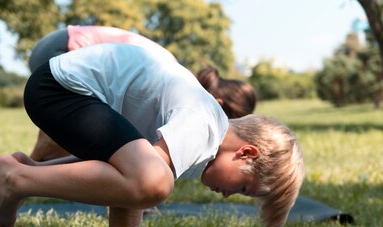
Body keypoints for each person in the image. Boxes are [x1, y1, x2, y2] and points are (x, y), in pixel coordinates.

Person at [0, 43, 304, 227]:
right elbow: (139, 188)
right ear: (246, 153)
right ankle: (17, 179)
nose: (229, 196)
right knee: (154, 183)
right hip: (61, 90)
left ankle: (23, 169)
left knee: (150, 180)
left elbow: (123, 187)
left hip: (61, 89)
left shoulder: (204, 135)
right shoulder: (204, 127)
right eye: (244, 189)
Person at [27, 25, 257, 161]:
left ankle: (25, 169)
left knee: (92, 135)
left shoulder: (176, 80)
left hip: (61, 46)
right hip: (61, 49)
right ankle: (23, 171)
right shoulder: (173, 81)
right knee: (92, 135)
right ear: (217, 102)